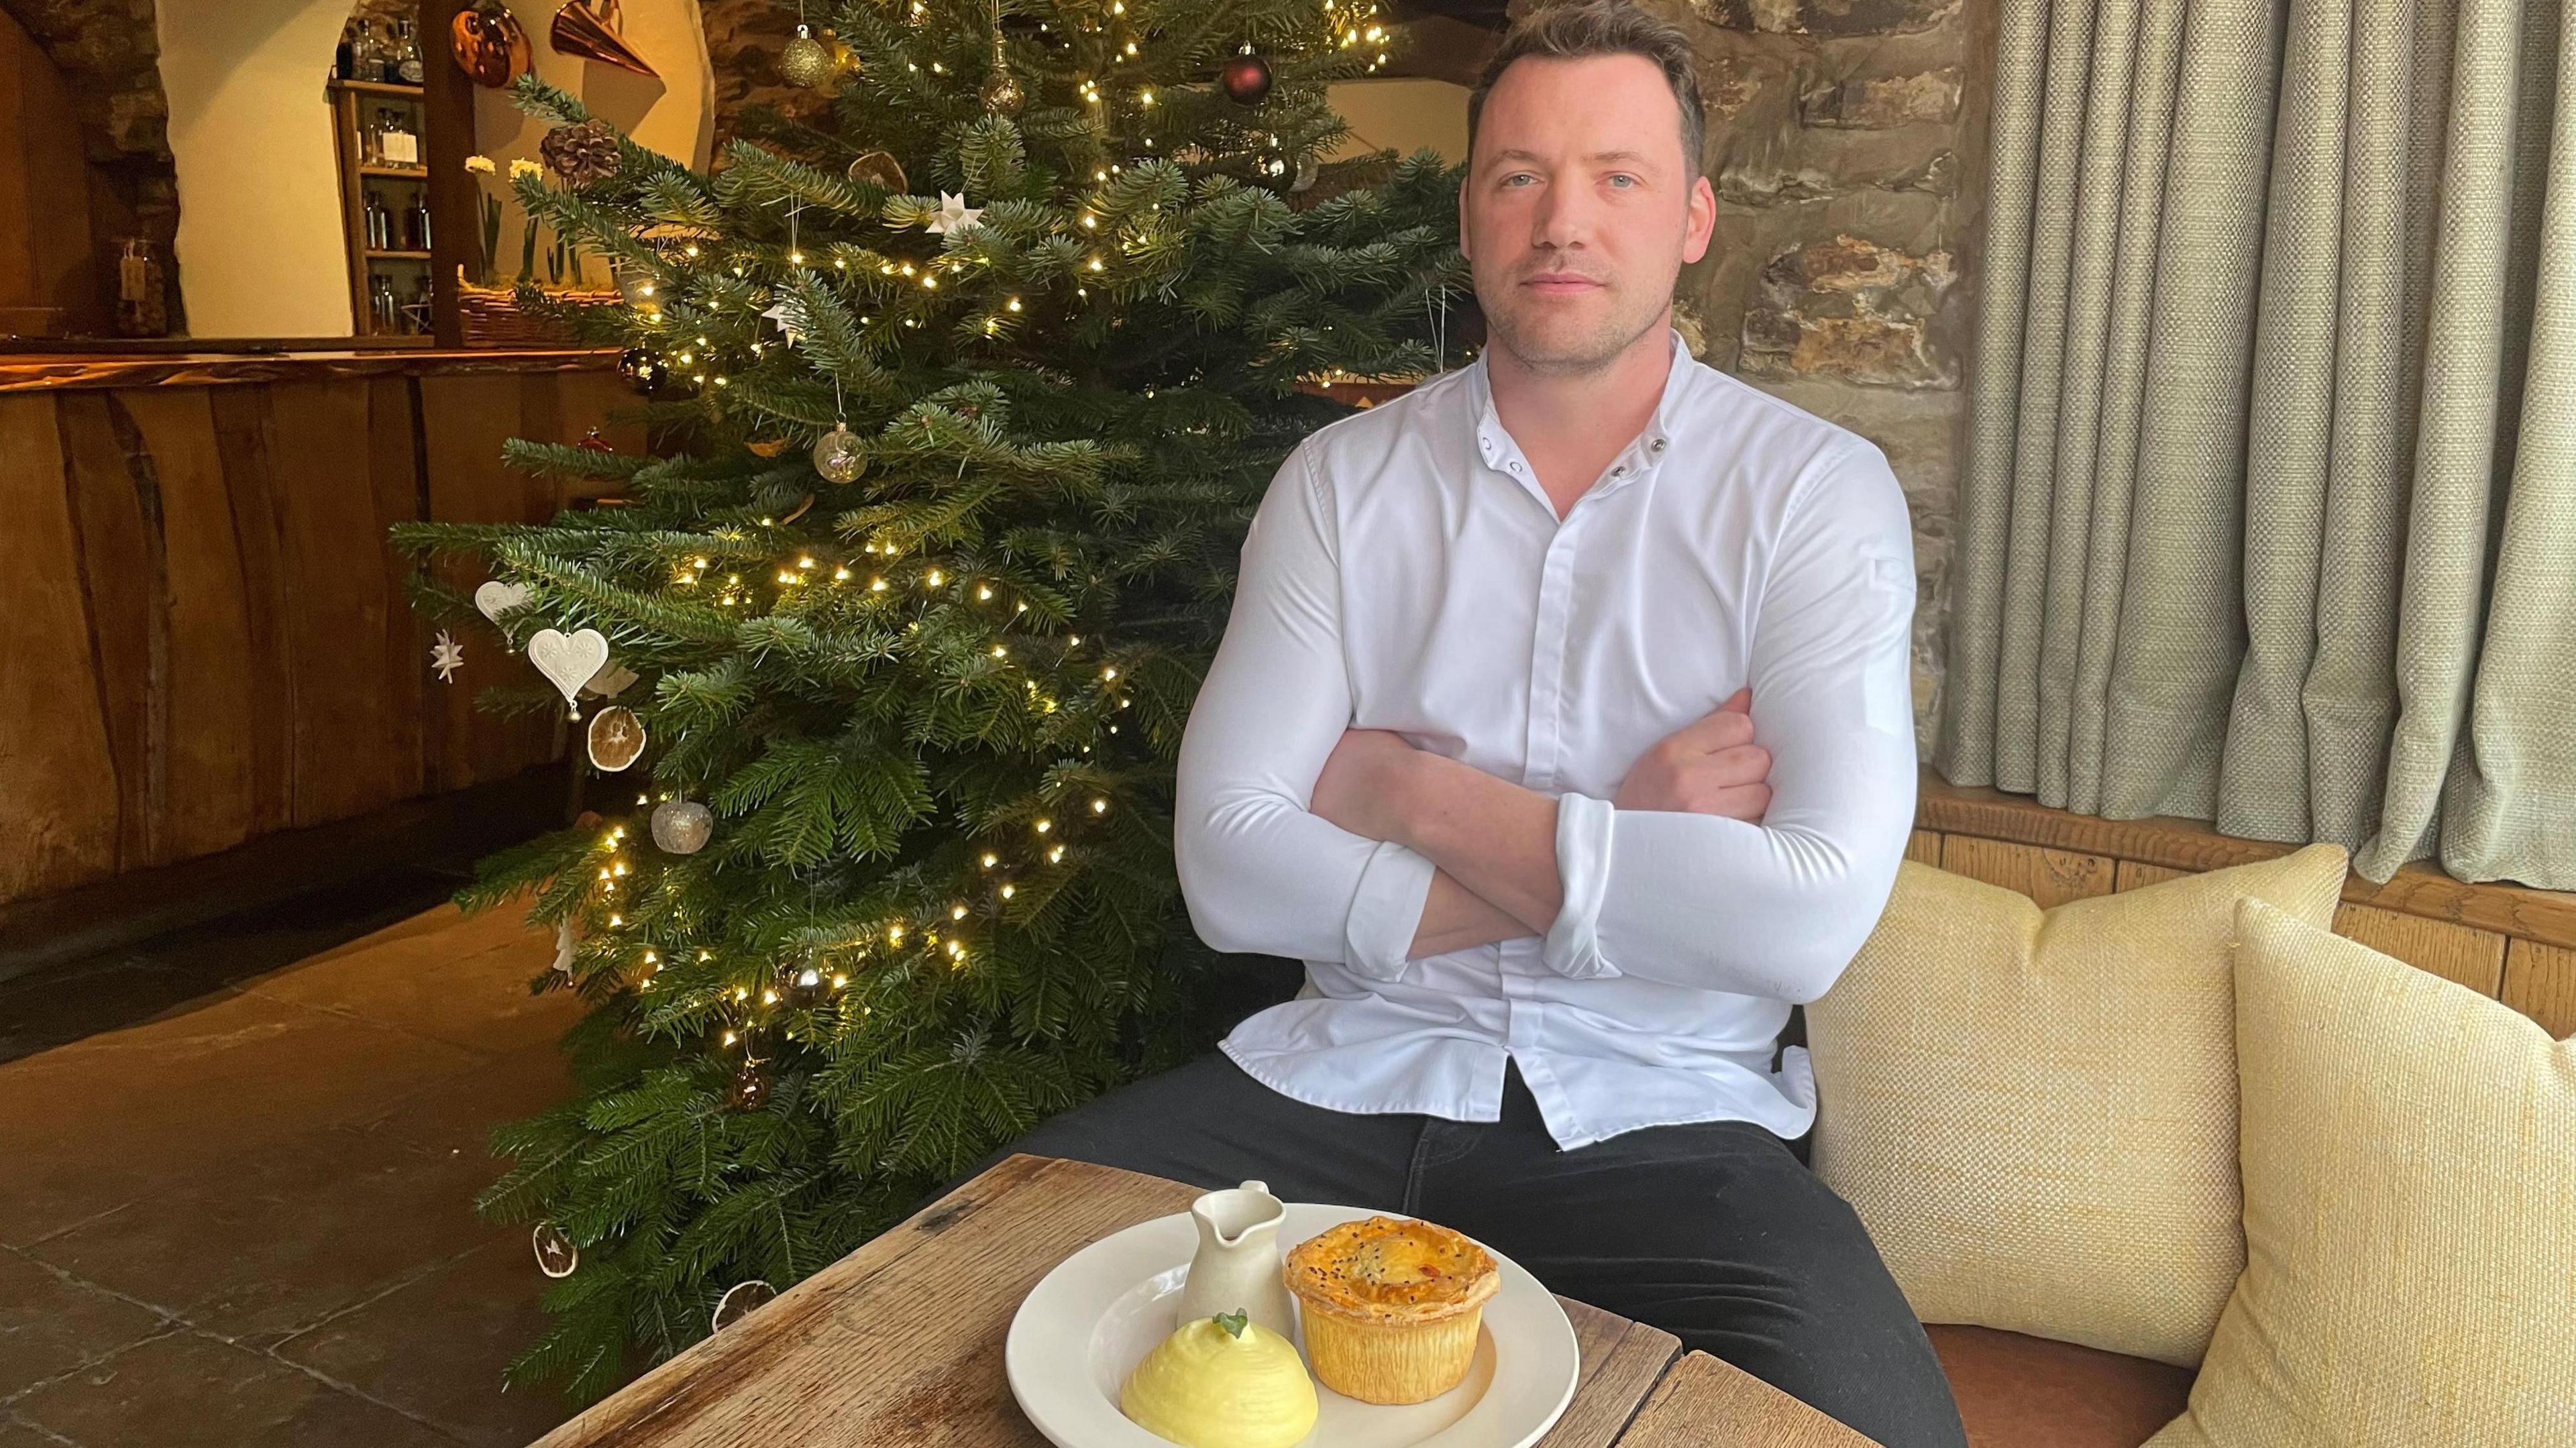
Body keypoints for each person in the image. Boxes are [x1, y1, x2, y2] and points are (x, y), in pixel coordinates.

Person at [969, 1, 1964, 1441]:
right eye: (1519, 176)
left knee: (1881, 1429)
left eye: (1617, 177)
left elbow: (1803, 921)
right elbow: (1228, 872)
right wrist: (1629, 844)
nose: (1563, 219)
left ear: (1692, 216)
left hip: (1665, 1126)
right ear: (1470, 211)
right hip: (1334, 1084)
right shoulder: (1338, 483)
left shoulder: (1814, 498)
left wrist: (1410, 798)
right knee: (980, 1289)